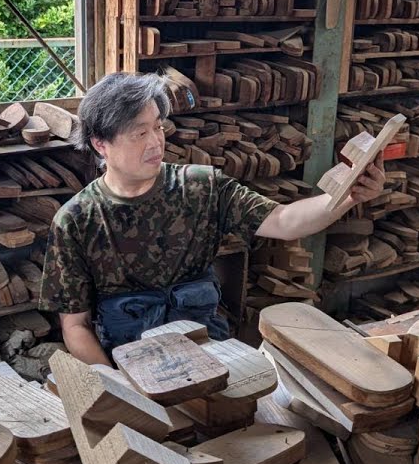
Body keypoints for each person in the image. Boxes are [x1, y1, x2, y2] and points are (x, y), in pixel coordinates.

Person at [39, 72, 387, 365]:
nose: (155, 142)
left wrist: (346, 198)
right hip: (129, 358)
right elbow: (76, 327)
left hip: (207, 347)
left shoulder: (200, 186)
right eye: (139, 133)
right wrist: (116, 385)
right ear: (101, 145)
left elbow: (283, 221)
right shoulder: (77, 220)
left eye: (158, 128)